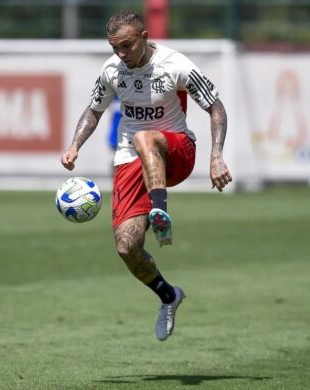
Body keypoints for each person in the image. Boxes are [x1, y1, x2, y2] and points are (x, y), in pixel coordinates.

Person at [61, 10, 232, 341]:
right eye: (114, 47)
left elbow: (215, 107)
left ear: (144, 37)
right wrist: (74, 145)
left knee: (144, 135)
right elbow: (93, 110)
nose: (121, 54)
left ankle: (159, 210)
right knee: (126, 247)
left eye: (126, 46)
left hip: (177, 150)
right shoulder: (112, 70)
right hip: (131, 160)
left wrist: (216, 156)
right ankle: (168, 295)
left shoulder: (176, 65)